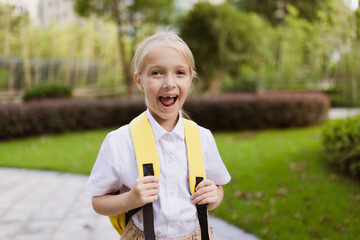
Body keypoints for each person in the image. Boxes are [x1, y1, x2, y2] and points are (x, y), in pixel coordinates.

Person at [85, 31, 231, 240]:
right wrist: (130, 199)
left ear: (190, 79)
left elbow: (218, 189)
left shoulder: (202, 138)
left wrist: (214, 196)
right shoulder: (120, 142)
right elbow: (98, 202)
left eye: (180, 72)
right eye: (157, 73)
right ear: (139, 81)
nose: (169, 83)